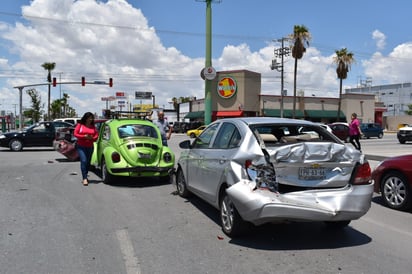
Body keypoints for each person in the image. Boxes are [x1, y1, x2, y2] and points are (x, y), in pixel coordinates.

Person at [73, 112, 99, 186]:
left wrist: (92, 138)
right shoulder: (80, 125)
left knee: (88, 162)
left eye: (91, 118)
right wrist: (84, 136)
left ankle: (86, 174)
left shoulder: (93, 126)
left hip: (90, 146)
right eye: (89, 118)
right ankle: (84, 178)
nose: (90, 119)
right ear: (85, 118)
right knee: (83, 160)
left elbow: (96, 136)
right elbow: (75, 134)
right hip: (81, 146)